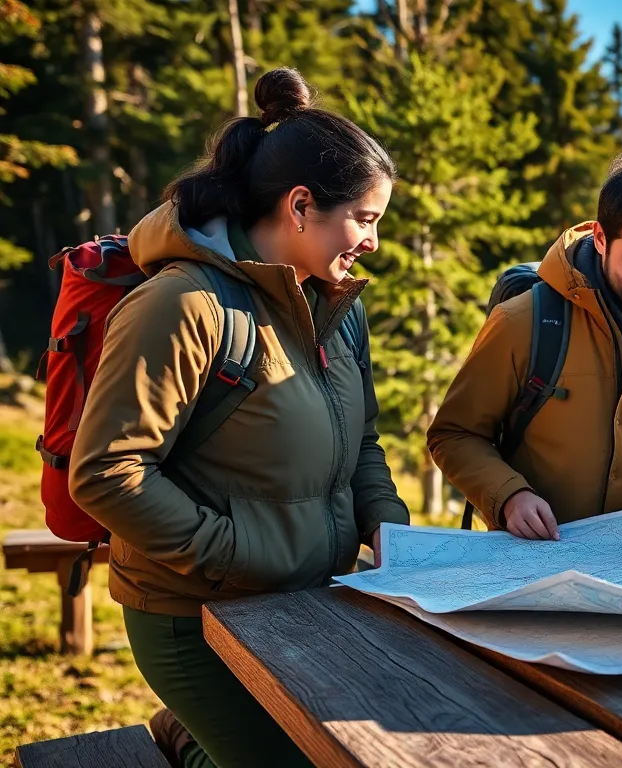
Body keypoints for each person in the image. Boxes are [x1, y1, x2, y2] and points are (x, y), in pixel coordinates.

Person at [68, 68, 409, 768]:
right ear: (302, 205)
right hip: (193, 616)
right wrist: (231, 553)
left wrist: (388, 525)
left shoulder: (340, 310)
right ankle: (190, 736)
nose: (374, 241)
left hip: (303, 602)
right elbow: (106, 472)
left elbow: (363, 439)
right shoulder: (182, 304)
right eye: (366, 219)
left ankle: (195, 734)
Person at [427, 151, 622, 539]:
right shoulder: (522, 322)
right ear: (600, 238)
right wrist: (509, 496)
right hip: (535, 558)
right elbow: (454, 435)